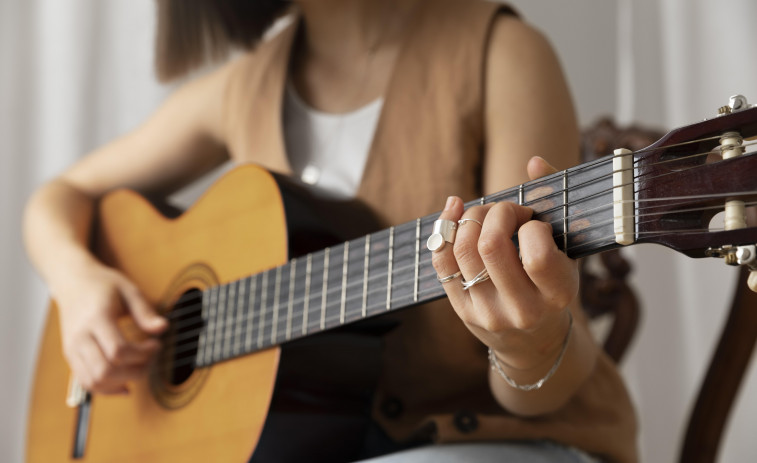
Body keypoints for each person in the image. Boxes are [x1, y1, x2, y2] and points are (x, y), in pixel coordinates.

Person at [23, 0, 637, 461]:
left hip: (498, 438)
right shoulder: (241, 88)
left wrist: (527, 341)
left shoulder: (499, 53)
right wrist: (79, 287)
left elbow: (550, 383)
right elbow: (56, 198)